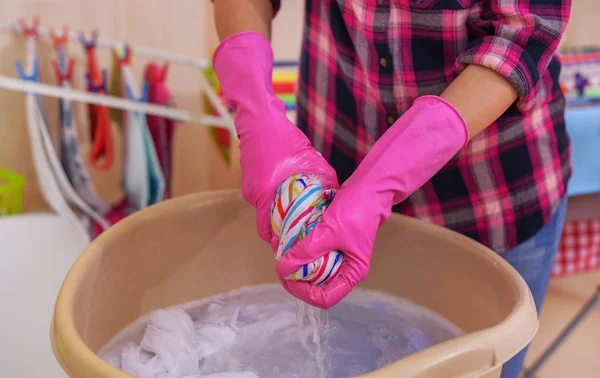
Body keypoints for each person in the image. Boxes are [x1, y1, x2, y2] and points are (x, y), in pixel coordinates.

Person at [212, 1, 571, 376]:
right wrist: (255, 108)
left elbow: (520, 35)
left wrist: (383, 181)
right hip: (338, 166)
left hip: (491, 195)